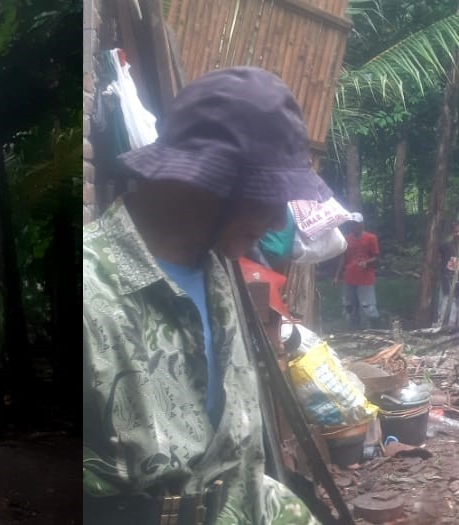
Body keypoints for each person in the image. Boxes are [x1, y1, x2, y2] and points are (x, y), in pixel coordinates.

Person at [83, 67, 324, 524]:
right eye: (268, 195)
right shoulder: (91, 292)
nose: (277, 222)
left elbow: (240, 474)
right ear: (207, 183)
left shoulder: (218, 275)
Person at [341, 221, 381, 328]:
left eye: (356, 224)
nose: (354, 227)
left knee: (368, 306)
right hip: (349, 277)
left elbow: (376, 257)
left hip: (365, 277)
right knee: (349, 306)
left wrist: (367, 262)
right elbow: (343, 258)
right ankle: (352, 328)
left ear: (362, 225)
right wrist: (337, 275)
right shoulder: (346, 239)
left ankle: (373, 327)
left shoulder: (371, 238)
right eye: (352, 224)